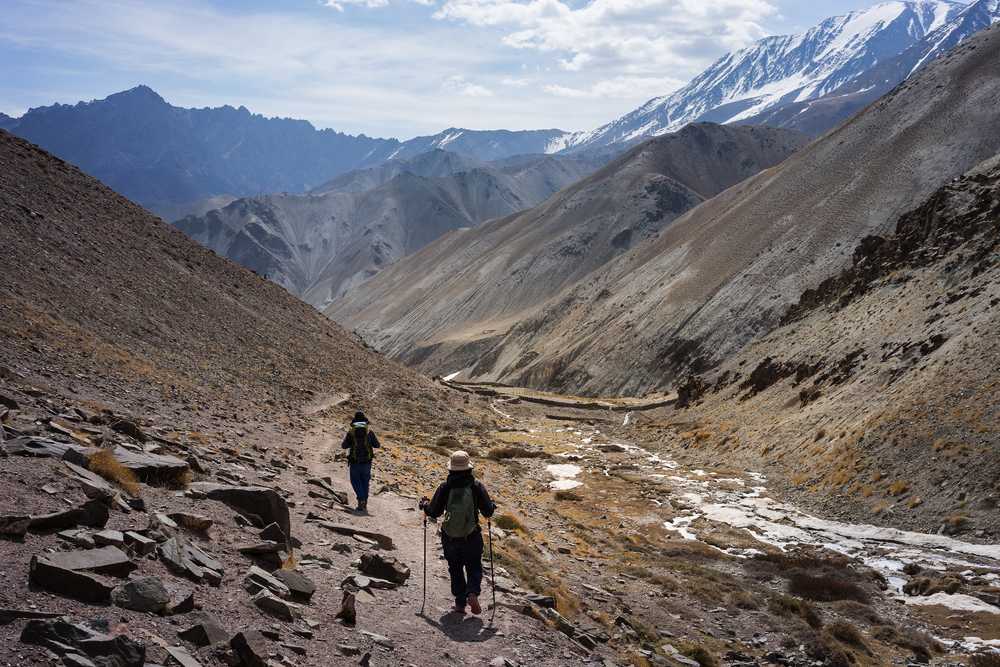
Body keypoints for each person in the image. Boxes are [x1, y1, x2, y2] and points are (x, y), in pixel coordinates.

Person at [419, 450, 496, 615]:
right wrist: (492, 505)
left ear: (451, 469)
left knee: (455, 568)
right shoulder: (476, 486)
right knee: (474, 566)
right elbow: (488, 512)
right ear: (469, 468)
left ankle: (460, 604)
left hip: (450, 538)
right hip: (472, 536)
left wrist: (424, 505)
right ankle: (473, 593)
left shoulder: (445, 487)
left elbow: (434, 512)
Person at [341, 411, 380, 512]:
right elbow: (377, 445)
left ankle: (361, 500)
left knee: (355, 481)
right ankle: (364, 502)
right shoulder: (369, 432)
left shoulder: (351, 432)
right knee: (365, 482)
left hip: (355, 462)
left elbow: (344, 446)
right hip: (367, 462)